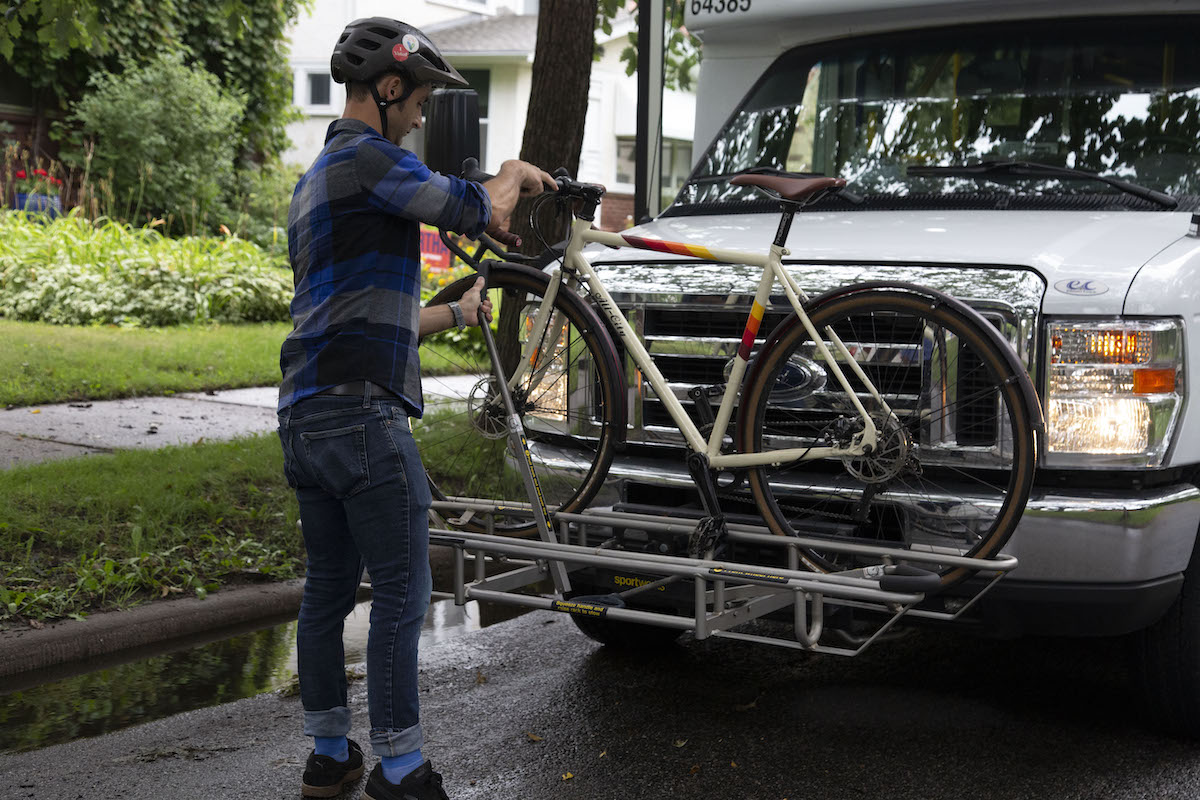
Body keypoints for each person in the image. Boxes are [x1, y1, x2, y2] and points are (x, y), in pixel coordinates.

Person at [276, 17, 555, 800]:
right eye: (422, 97)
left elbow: (350, 312)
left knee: (328, 586)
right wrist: (510, 172)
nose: (425, 114)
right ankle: (401, 768)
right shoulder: (371, 158)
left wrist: (456, 317)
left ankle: (329, 755)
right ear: (389, 88)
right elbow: (466, 206)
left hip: (304, 415)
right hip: (364, 416)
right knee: (404, 590)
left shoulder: (315, 181)